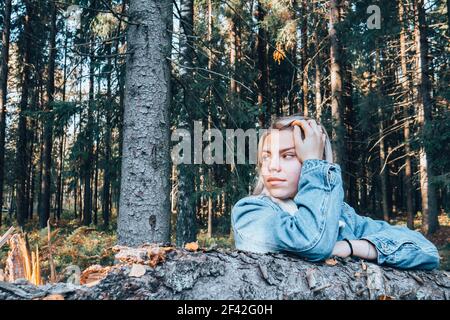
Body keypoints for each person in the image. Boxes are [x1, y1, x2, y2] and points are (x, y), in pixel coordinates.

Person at [231, 114, 440, 270]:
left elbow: (427, 252)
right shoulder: (250, 212)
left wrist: (350, 246)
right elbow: (313, 242)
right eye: (267, 156)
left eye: (288, 156)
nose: (272, 166)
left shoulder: (342, 216)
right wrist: (314, 165)